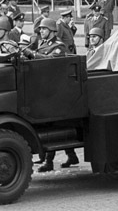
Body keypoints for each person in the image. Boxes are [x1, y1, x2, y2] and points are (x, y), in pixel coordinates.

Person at [26, 18, 78, 171]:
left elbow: (48, 62)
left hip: (56, 92)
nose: (41, 31)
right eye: (40, 29)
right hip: (47, 91)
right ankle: (72, 155)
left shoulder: (59, 47)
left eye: (44, 29)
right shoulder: (43, 44)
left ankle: (49, 162)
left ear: (52, 31)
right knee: (57, 125)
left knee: (51, 124)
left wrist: (32, 54)